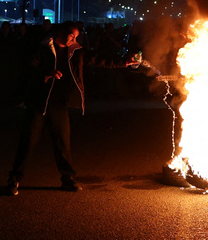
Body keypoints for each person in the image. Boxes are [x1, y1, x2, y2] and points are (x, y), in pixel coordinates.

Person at [7, 23, 137, 195]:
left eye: (76, 37)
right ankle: (14, 179)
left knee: (63, 144)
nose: (74, 39)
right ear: (61, 33)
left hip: (59, 104)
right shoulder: (43, 47)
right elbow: (28, 68)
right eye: (72, 36)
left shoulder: (76, 50)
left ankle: (68, 179)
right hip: (39, 103)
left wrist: (124, 62)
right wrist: (46, 73)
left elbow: (97, 59)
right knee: (28, 142)